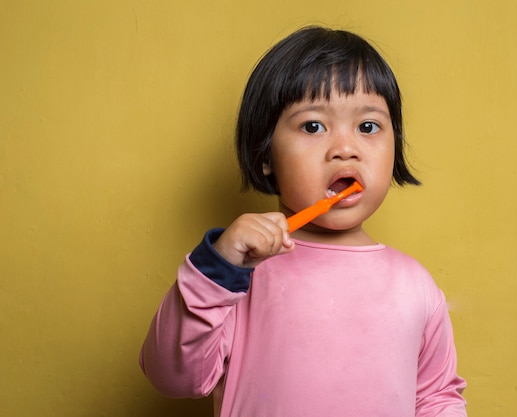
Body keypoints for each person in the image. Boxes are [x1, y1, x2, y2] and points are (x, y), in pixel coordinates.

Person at [139, 26, 467, 417]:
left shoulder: (415, 284)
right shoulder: (239, 274)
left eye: (368, 127)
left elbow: (436, 398)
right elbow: (173, 377)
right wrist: (217, 270)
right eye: (313, 126)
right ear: (265, 154)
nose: (345, 149)